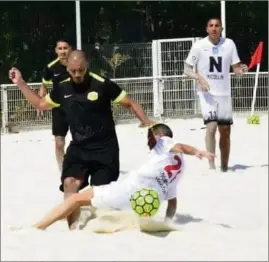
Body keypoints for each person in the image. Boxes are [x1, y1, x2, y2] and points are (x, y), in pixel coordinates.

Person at [8, 50, 155, 229]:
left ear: (87, 66)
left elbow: (130, 103)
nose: (77, 74)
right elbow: (40, 104)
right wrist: (21, 83)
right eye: (73, 71)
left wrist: (147, 122)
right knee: (70, 183)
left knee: (99, 195)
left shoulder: (102, 84)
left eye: (81, 70)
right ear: (67, 68)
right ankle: (73, 228)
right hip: (79, 147)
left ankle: (86, 213)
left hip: (105, 149)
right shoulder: (62, 88)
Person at [32, 123, 214, 230]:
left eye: (150, 136)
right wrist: (166, 223)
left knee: (76, 198)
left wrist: (198, 150)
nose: (149, 141)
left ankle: (38, 227)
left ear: (159, 136)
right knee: (98, 207)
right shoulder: (179, 169)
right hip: (142, 204)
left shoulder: (164, 142)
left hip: (129, 189)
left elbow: (181, 146)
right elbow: (172, 203)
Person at [184, 17, 248, 172]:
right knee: (211, 127)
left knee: (225, 131)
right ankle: (211, 165)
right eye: (211, 26)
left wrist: (242, 70)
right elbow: (186, 69)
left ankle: (225, 168)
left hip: (224, 93)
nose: (214, 28)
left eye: (217, 26)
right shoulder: (199, 46)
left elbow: (236, 69)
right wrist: (200, 78)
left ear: (221, 29)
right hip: (207, 94)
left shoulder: (229, 44)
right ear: (206, 29)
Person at [38, 39, 72, 172]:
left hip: (78, 109)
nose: (63, 51)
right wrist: (40, 104)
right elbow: (43, 86)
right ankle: (63, 171)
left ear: (70, 49)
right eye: (60, 48)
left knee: (85, 141)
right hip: (59, 109)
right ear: (56, 51)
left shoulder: (77, 63)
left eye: (65, 48)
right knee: (59, 143)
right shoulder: (51, 67)